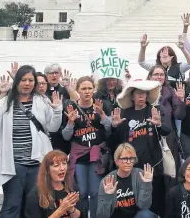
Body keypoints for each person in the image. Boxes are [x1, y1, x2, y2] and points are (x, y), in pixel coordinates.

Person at [0, 65, 63, 218]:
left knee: (39, 204)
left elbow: (53, 127)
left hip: (38, 163)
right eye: (23, 79)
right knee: (12, 204)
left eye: (31, 80)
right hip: (13, 165)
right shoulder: (3, 104)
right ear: (16, 81)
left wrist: (57, 111)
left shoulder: (43, 101)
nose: (27, 83)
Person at [109, 80, 170, 217]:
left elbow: (167, 132)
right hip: (130, 166)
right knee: (133, 201)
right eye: (138, 94)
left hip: (152, 164)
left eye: (144, 93)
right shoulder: (124, 114)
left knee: (155, 201)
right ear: (132, 96)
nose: (142, 96)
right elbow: (113, 143)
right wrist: (114, 127)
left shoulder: (155, 110)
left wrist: (159, 124)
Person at [62, 77, 113, 218]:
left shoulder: (101, 105)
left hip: (97, 156)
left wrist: (102, 114)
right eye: (83, 89)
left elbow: (109, 127)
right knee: (82, 192)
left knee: (96, 191)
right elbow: (66, 136)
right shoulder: (70, 107)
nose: (87, 92)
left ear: (94, 89)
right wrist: (70, 123)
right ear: (78, 90)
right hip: (79, 156)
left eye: (90, 88)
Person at [96, 144, 153, 218]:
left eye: (131, 158)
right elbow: (102, 216)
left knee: (146, 214)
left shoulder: (141, 175)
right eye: (125, 159)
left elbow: (144, 206)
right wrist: (108, 196)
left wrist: (146, 185)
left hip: (135, 216)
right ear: (117, 160)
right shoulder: (107, 181)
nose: (128, 162)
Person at [24, 150, 82, 218]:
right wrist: (61, 210)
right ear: (47, 170)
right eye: (56, 166)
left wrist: (71, 209)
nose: (62, 168)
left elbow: (82, 216)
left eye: (64, 163)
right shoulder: (35, 195)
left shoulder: (72, 188)